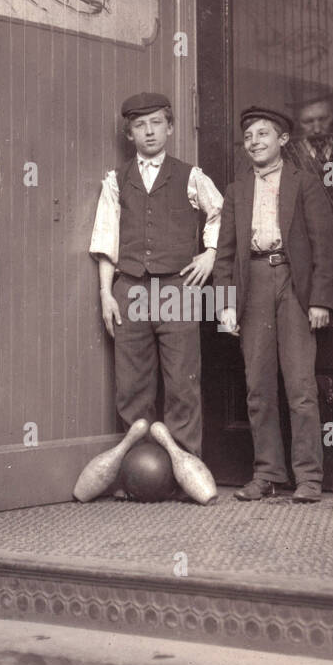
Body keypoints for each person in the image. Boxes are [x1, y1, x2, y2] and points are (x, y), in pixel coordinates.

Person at [214, 106, 333, 503]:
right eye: (248, 136)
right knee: (258, 388)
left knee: (301, 386)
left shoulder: (305, 184)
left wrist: (321, 300)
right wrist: (224, 305)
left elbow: (326, 245)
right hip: (252, 285)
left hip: (293, 284)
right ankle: (267, 474)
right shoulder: (236, 190)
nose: (254, 142)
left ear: (283, 140)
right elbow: (224, 253)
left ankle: (308, 479)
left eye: (263, 134)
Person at [89, 92, 223, 456]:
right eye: (139, 125)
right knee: (132, 386)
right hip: (129, 289)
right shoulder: (116, 180)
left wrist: (209, 255)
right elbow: (106, 241)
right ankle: (139, 471)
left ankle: (183, 470)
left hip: (178, 290)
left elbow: (220, 215)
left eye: (156, 124)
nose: (149, 132)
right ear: (129, 133)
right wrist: (105, 294)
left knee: (182, 383)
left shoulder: (190, 175)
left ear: (170, 128)